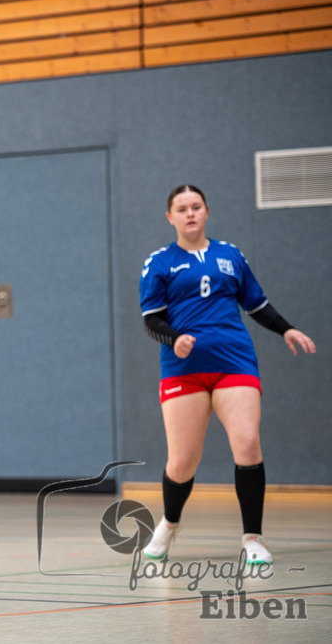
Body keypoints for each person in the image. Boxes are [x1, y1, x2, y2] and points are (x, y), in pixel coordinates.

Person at [139, 184, 315, 565]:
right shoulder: (159, 263)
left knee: (248, 443)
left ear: (206, 211)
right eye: (181, 208)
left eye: (196, 206)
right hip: (183, 370)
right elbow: (151, 320)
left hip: (235, 362)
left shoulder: (230, 255)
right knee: (182, 463)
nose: (190, 213)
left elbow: (257, 303)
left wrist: (286, 328)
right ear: (170, 217)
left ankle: (253, 537)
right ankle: (169, 523)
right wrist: (175, 339)